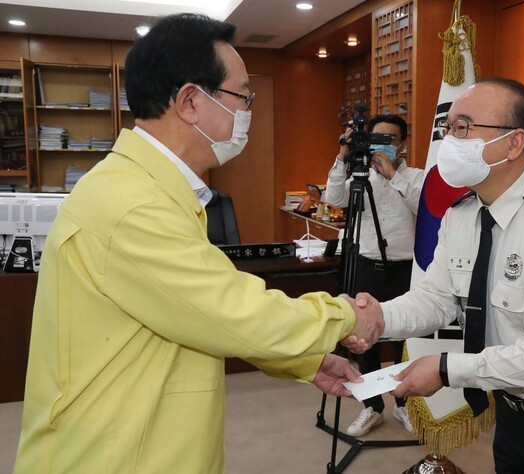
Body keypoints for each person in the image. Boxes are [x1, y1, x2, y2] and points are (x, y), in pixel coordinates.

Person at [13, 13, 383, 474]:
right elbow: (230, 309)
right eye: (242, 96)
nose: (248, 109)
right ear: (190, 100)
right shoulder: (132, 204)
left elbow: (195, 315)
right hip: (114, 453)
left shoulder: (147, 189)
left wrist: (305, 361)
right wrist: (346, 314)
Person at [344, 78, 524, 473]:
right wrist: (379, 318)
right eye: (449, 129)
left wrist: (446, 369)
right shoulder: (460, 216)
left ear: (513, 143)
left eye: (463, 128)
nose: (450, 141)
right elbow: (437, 298)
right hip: (513, 408)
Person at [323, 114, 424, 436]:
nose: (381, 146)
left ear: (402, 144)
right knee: (362, 339)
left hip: (405, 268)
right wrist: (342, 157)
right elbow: (333, 199)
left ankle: (404, 404)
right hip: (366, 264)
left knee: (402, 340)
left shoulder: (416, 178)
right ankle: (372, 406)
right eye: (375, 139)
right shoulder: (358, 177)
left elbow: (425, 207)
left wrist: (393, 175)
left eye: (389, 140)